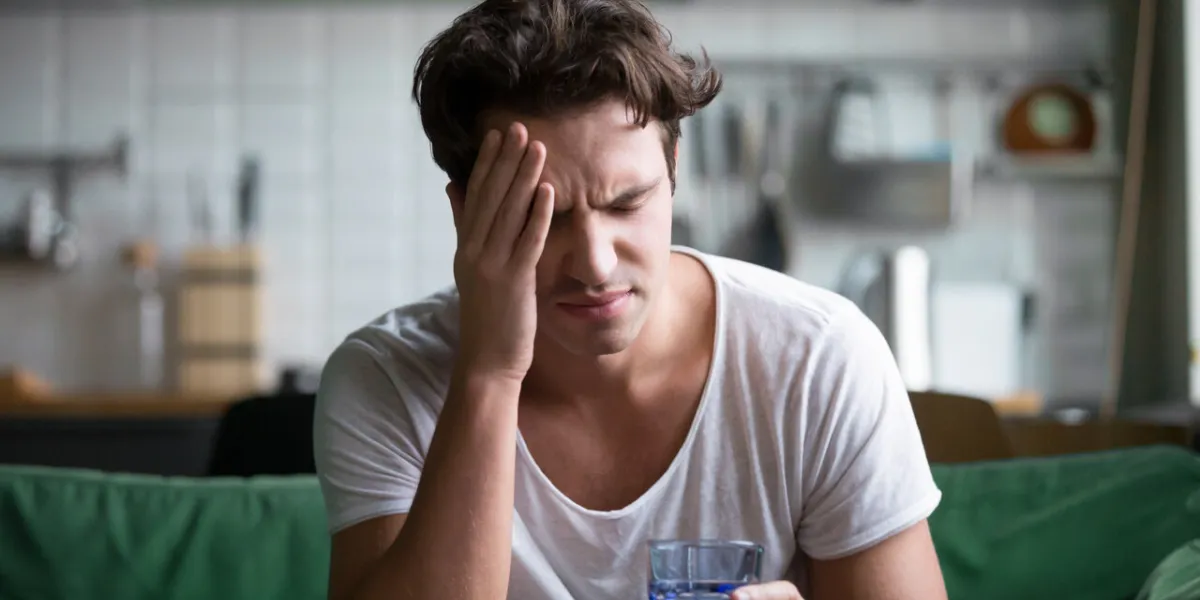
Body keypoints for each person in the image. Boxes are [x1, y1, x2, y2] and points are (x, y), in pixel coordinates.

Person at [312, 0, 948, 598]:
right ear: (466, 212)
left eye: (627, 203)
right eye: (545, 216)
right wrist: (489, 371)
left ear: (673, 169)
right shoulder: (386, 379)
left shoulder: (819, 359)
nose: (595, 263)